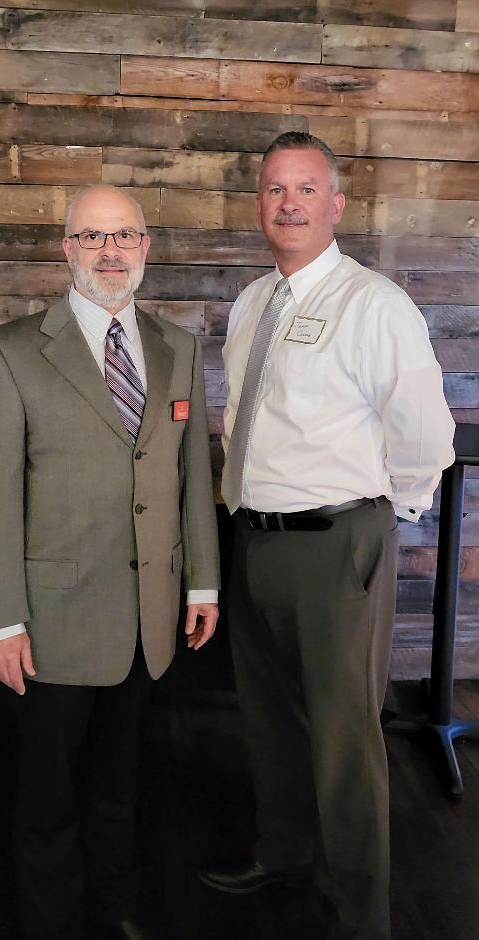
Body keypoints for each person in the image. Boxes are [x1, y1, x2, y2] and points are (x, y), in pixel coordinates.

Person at [199, 132, 455, 940]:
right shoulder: (250, 304)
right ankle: (283, 850)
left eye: (306, 188)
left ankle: (358, 913)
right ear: (259, 205)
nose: (289, 203)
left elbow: (425, 440)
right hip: (256, 540)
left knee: (344, 741)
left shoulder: (374, 305)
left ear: (336, 204)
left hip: (338, 546)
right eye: (276, 189)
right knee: (270, 721)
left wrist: (381, 517)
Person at [0, 185, 220, 940]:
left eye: (125, 236)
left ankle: (115, 911)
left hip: (148, 621)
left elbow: (189, 481)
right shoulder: (11, 351)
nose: (111, 252)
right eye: (92, 237)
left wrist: (201, 579)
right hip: (52, 622)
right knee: (47, 798)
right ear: (67, 248)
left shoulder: (179, 347)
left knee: (119, 786)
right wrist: (1, 621)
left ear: (145, 247)